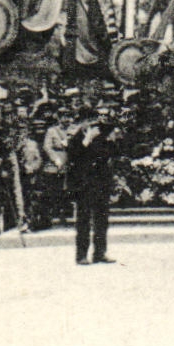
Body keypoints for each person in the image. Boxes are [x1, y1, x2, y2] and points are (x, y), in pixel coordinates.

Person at [68, 112, 118, 265]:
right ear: (81, 122)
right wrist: (87, 140)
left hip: (100, 184)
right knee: (83, 221)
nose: (91, 124)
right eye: (88, 121)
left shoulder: (101, 137)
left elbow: (108, 155)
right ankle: (81, 255)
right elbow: (74, 157)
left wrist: (110, 140)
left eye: (93, 121)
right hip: (84, 186)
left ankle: (100, 253)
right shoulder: (76, 138)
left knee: (102, 221)